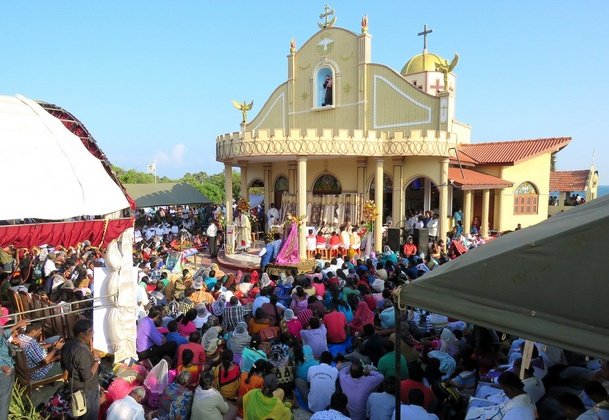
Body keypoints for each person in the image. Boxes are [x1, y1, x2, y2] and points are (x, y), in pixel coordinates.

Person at [61, 319, 101, 420]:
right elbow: (87, 377)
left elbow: (64, 367)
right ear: (82, 334)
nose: (93, 333)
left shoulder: (67, 345)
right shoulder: (82, 350)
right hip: (87, 390)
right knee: (89, 416)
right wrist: (96, 361)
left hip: (74, 386)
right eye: (90, 331)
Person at [0, 319, 28, 420]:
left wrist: (16, 326)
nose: (1, 309)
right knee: (3, 403)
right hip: (3, 372)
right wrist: (3, 366)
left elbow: (2, 334)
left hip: (7, 369)